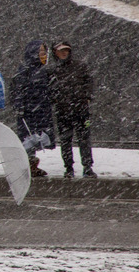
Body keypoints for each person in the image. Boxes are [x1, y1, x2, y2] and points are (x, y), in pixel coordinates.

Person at [47, 41, 97, 179]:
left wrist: (87, 97)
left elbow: (89, 82)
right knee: (65, 140)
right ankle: (69, 167)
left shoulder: (80, 66)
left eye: (66, 50)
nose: (64, 53)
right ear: (55, 53)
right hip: (62, 111)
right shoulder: (51, 70)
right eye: (61, 50)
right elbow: (48, 90)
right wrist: (55, 99)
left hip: (81, 110)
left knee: (84, 139)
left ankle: (87, 167)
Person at [10, 40, 55, 177]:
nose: (44, 55)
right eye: (41, 52)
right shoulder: (25, 70)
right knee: (28, 138)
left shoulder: (44, 71)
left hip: (41, 110)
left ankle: (32, 164)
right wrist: (20, 106)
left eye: (45, 52)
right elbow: (17, 90)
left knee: (37, 137)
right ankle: (29, 164)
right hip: (29, 111)